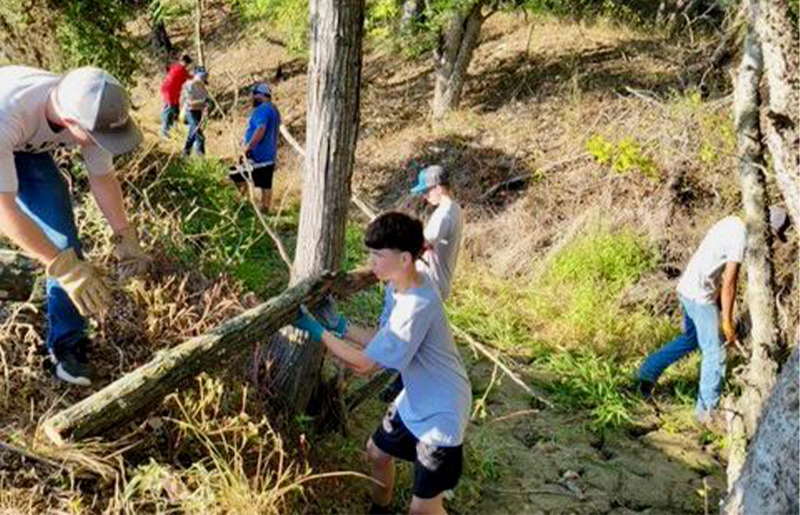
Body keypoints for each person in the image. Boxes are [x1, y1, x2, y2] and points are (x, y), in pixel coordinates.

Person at [293, 212, 472, 515]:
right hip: (415, 397)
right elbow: (381, 339)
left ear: (404, 258)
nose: (371, 260)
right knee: (377, 453)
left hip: (442, 412)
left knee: (423, 511)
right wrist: (341, 327)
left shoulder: (418, 305)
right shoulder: (399, 286)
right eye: (371, 253)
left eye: (377, 254)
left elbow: (364, 365)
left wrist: (317, 331)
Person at [0, 65, 149, 386]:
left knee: (64, 243)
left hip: (25, 148)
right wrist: (60, 266)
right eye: (98, 137)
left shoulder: (88, 111)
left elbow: (103, 177)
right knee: (61, 260)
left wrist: (124, 234)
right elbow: (2, 208)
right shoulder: (8, 114)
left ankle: (66, 345)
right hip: (7, 134)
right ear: (70, 123)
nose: (102, 143)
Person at [636, 207, 792, 425]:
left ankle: (645, 373)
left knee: (690, 340)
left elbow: (715, 271)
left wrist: (721, 312)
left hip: (688, 288)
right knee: (715, 352)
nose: (770, 242)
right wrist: (727, 322)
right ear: (764, 226)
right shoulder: (740, 237)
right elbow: (729, 283)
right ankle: (706, 413)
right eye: (771, 236)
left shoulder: (731, 222)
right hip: (700, 296)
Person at [382, 164, 465, 403]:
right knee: (417, 336)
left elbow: (423, 244)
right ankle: (403, 382)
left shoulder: (445, 213)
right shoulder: (454, 209)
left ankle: (401, 385)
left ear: (439, 188)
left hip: (431, 283)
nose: (424, 195)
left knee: (411, 335)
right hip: (437, 282)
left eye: (426, 191)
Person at [228, 83, 281, 213]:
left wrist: (247, 148)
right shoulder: (274, 110)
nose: (252, 98)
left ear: (260, 95)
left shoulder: (262, 109)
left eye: (254, 95)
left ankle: (243, 203)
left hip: (257, 155)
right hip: (269, 155)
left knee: (236, 175)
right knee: (266, 183)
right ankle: (265, 209)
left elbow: (261, 128)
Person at [159, 54, 192, 138]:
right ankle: (163, 131)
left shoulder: (175, 66)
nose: (187, 66)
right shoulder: (181, 69)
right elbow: (190, 77)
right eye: (187, 64)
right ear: (184, 62)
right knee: (168, 110)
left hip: (173, 91)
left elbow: (168, 68)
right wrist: (199, 78)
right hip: (169, 91)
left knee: (176, 110)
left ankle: (173, 129)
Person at [182, 67, 209, 157]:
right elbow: (189, 103)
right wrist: (203, 101)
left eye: (205, 76)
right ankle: (201, 159)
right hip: (189, 112)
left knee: (192, 135)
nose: (204, 78)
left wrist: (207, 106)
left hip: (199, 113)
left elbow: (205, 104)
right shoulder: (189, 85)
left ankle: (185, 153)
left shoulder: (204, 89)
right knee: (200, 137)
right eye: (202, 76)